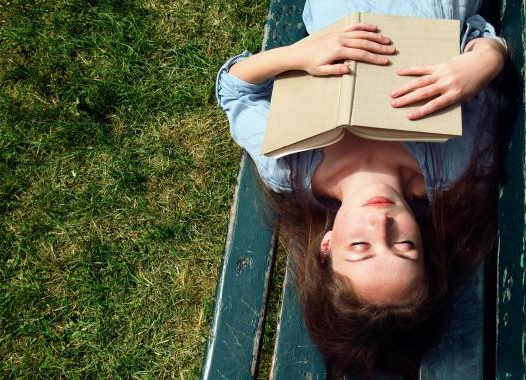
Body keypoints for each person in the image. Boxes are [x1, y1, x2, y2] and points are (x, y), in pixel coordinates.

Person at [216, 1, 506, 378]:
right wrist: (486, 60)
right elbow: (476, 36)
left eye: (360, 247)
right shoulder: (454, 166)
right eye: (405, 246)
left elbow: (235, 92)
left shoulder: (288, 163)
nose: (381, 223)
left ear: (326, 246)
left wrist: (297, 54)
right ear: (424, 243)